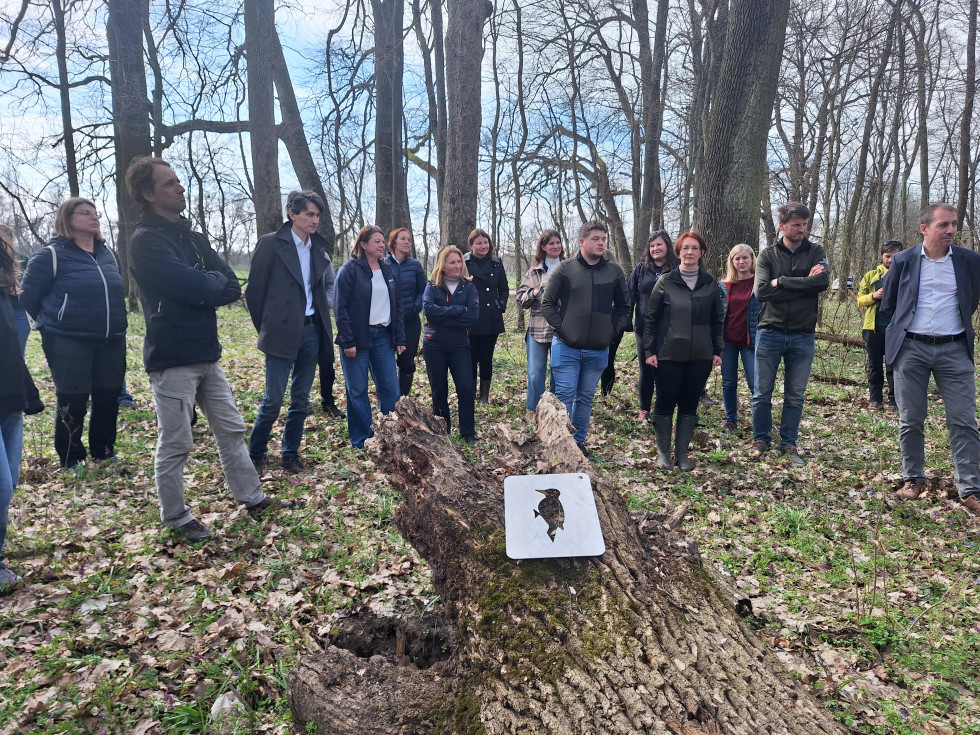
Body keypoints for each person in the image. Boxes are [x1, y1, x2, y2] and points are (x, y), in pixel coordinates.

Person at [126, 156, 288, 543]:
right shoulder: (145, 241)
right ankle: (176, 516)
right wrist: (203, 288)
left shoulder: (191, 235)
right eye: (169, 184)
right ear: (148, 194)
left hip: (207, 353)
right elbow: (192, 287)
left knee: (231, 429)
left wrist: (202, 288)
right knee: (177, 440)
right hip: (171, 357)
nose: (179, 188)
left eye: (179, 181)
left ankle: (252, 497)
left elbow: (231, 286)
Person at [880, 203, 980, 515]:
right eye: (943, 225)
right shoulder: (904, 260)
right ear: (925, 229)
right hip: (912, 349)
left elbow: (972, 298)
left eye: (953, 225)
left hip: (954, 349)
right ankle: (913, 480)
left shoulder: (969, 261)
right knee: (911, 419)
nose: (951, 230)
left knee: (964, 420)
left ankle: (970, 489)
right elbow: (889, 303)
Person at [19, 198, 127, 470]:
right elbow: (28, 296)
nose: (94, 217)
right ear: (68, 219)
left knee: (108, 395)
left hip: (111, 338)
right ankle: (71, 457)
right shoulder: (50, 256)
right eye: (85, 213)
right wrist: (51, 323)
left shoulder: (108, 254)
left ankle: (103, 450)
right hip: (67, 339)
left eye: (96, 213)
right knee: (73, 398)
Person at [246, 190, 335, 475]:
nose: (315, 220)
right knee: (272, 400)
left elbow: (322, 291)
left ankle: (290, 454)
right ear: (292, 214)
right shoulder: (271, 244)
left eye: (317, 215)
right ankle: (254, 454)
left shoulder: (319, 249)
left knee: (300, 399)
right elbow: (254, 293)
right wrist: (267, 328)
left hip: (312, 331)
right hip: (280, 332)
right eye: (309, 214)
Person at [541, 220, 630, 455]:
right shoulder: (565, 269)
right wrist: (563, 330)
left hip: (599, 350)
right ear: (582, 242)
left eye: (604, 239)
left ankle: (578, 445)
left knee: (585, 398)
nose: (601, 243)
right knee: (564, 397)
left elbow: (624, 306)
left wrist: (611, 332)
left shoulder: (614, 271)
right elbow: (547, 304)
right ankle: (560, 445)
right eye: (596, 239)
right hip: (567, 347)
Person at [751, 202, 829, 466]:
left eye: (805, 225)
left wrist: (782, 281)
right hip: (770, 331)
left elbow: (822, 282)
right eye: (796, 225)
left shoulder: (816, 251)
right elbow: (761, 292)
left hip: (802, 333)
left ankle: (789, 442)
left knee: (794, 395)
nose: (802, 230)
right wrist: (803, 282)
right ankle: (760, 439)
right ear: (782, 226)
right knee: (762, 392)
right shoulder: (767, 255)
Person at [643, 232, 724, 471]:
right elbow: (651, 318)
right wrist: (649, 350)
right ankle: (663, 453)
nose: (690, 252)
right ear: (678, 252)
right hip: (667, 354)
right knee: (665, 401)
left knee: (689, 404)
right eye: (685, 248)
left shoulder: (710, 283)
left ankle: (682, 454)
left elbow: (717, 319)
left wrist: (717, 349)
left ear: (701, 252)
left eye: (695, 248)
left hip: (700, 355)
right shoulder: (666, 281)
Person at [334, 226, 405, 449]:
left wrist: (400, 338)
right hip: (357, 338)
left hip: (383, 337)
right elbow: (340, 308)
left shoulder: (387, 270)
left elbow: (398, 306)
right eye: (376, 241)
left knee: (391, 389)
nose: (381, 245)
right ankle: (362, 439)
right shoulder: (349, 270)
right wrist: (348, 341)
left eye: (383, 241)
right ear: (363, 244)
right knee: (357, 390)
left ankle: (390, 434)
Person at [1, 231, 44, 590]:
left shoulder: (7, 292)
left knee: (8, 484)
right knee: (0, 487)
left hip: (9, 396)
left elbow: (16, 344)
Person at [421, 247, 480, 442]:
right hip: (434, 345)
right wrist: (457, 309)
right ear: (442, 265)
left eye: (459, 262)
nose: (457, 265)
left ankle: (468, 433)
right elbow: (429, 311)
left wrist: (443, 315)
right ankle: (443, 432)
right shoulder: (432, 286)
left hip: (459, 345)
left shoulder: (469, 287)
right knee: (439, 390)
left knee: (466, 388)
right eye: (452, 262)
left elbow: (472, 316)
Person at [627, 230, 678, 421]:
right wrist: (626, 322)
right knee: (646, 368)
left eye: (659, 245)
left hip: (671, 329)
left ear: (667, 246)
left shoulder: (678, 268)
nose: (655, 248)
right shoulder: (641, 269)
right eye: (652, 246)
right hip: (644, 329)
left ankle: (664, 409)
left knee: (667, 369)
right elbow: (630, 295)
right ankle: (644, 409)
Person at [516, 229, 565, 417]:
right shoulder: (534, 271)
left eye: (558, 242)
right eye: (551, 243)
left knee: (558, 372)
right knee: (536, 373)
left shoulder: (568, 268)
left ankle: (553, 411)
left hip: (562, 329)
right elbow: (520, 299)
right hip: (538, 328)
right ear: (543, 247)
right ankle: (532, 410)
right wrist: (534, 293)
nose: (556, 246)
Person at [463, 229, 508, 404]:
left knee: (486, 358)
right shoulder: (464, 262)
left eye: (486, 242)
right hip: (470, 317)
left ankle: (484, 396)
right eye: (479, 243)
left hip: (491, 317)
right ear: (471, 245)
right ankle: (471, 393)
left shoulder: (496, 263)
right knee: (471, 357)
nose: (483, 246)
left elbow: (503, 288)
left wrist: (500, 305)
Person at [856, 240, 902, 410]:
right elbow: (860, 300)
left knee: (894, 365)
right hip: (873, 327)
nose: (890, 260)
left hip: (896, 328)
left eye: (894, 256)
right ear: (882, 256)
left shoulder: (906, 275)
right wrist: (874, 296)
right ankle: (875, 399)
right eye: (887, 256)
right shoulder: (871, 276)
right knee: (874, 365)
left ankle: (894, 401)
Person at [719, 244, 760, 432]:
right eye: (737, 258)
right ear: (732, 261)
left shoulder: (759, 283)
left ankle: (760, 422)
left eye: (745, 258)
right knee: (728, 383)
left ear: (752, 259)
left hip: (750, 342)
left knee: (755, 385)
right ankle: (731, 420)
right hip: (728, 341)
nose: (741, 262)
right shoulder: (724, 284)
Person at [385, 228, 427, 398]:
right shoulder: (383, 265)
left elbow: (423, 291)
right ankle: (387, 396)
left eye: (409, 239)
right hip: (387, 322)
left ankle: (402, 399)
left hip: (410, 321)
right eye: (403, 239)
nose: (407, 242)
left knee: (407, 362)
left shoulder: (415, 265)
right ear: (394, 242)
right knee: (386, 362)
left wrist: (415, 307)